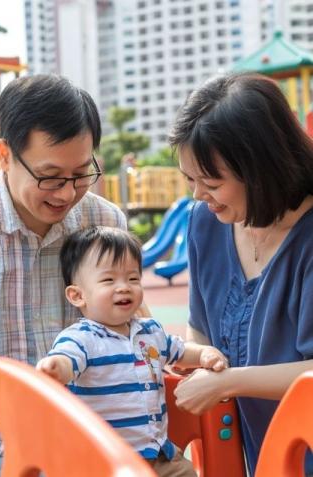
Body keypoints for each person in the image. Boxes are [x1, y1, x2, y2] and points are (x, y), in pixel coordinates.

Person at [169, 71, 313, 476]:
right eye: (189, 180)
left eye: (211, 182)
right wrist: (199, 359)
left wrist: (227, 381)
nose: (198, 194)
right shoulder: (204, 222)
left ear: (261, 169)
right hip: (246, 453)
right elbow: (199, 328)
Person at [0, 74, 126, 364]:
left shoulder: (106, 221)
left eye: (82, 173)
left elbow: (131, 331)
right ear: (5, 156)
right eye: (50, 177)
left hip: (84, 409)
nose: (68, 193)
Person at [37, 226, 227, 477]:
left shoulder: (150, 331)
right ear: (77, 295)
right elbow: (67, 360)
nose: (124, 287)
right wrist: (56, 368)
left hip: (160, 455)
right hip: (107, 463)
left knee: (186, 472)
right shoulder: (82, 338)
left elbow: (179, 351)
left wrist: (203, 354)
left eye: (133, 278)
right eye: (108, 280)